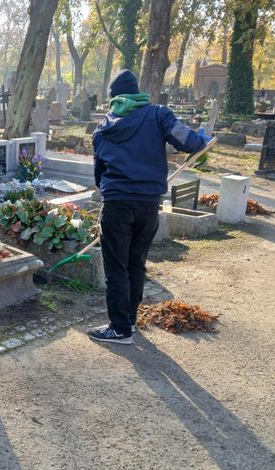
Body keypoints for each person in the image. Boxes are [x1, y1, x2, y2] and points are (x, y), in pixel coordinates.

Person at [88, 69, 209, 345]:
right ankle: (128, 321)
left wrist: (110, 190)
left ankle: (120, 329)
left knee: (117, 267)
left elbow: (99, 172)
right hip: (148, 205)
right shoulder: (158, 115)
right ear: (137, 92)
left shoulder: (104, 129)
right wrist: (201, 139)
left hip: (117, 204)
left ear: (114, 98)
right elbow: (188, 142)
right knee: (136, 264)